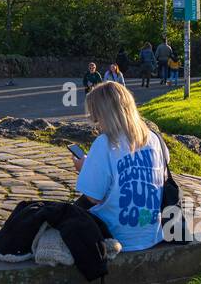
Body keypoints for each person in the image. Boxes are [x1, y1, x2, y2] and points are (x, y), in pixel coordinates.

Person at [72, 80, 168, 252]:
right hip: (152, 234)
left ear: (104, 114)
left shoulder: (105, 143)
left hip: (115, 236)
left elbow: (93, 197)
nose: (96, 122)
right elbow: (162, 178)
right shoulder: (154, 138)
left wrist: (83, 168)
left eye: (96, 116)